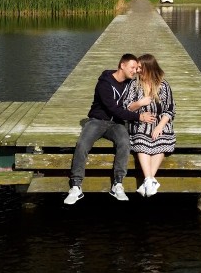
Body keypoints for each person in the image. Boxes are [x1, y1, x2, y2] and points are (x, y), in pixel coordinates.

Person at [64, 54, 156, 205]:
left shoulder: (130, 83)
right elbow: (113, 109)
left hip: (116, 124)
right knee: (82, 144)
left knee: (125, 142)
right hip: (97, 121)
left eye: (136, 68)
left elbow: (147, 80)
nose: (135, 71)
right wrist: (139, 117)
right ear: (122, 65)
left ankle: (118, 184)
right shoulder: (104, 83)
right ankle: (76, 186)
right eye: (132, 67)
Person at [123, 53, 176, 197]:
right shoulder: (134, 85)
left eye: (140, 68)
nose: (137, 70)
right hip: (140, 120)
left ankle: (148, 180)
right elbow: (127, 107)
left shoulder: (163, 85)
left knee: (160, 139)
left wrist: (159, 126)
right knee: (141, 140)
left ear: (149, 68)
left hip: (159, 121)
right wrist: (141, 103)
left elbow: (170, 109)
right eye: (137, 68)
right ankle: (150, 179)